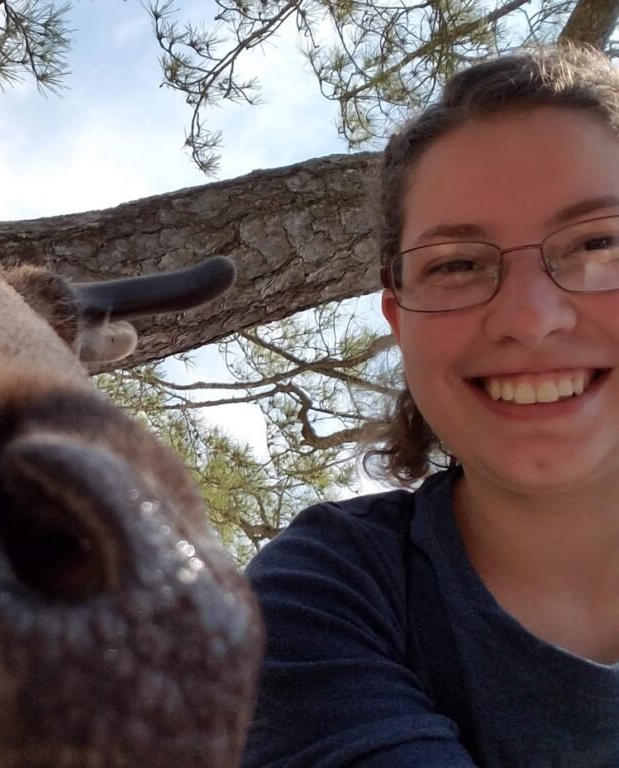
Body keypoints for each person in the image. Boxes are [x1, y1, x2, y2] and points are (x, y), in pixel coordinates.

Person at [241, 44, 619, 768]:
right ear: (398, 317)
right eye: (458, 264)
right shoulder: (321, 594)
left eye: (598, 244)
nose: (531, 319)